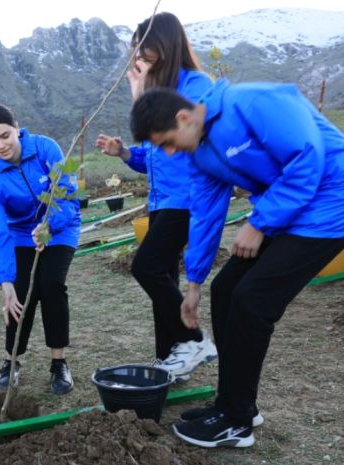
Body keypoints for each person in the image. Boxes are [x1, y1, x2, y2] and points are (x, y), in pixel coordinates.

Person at [130, 81, 344, 448]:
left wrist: (259, 223)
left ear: (184, 117)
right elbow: (205, 213)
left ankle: (236, 421)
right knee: (226, 289)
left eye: (166, 141)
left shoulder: (253, 101)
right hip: (290, 208)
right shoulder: (198, 152)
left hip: (330, 202)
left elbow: (308, 157)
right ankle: (233, 402)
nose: (168, 152)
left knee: (253, 299)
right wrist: (193, 285)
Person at [95, 12, 216, 381]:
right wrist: (126, 154)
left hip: (188, 197)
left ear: (164, 46)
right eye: (135, 50)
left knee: (145, 267)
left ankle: (195, 340)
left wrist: (141, 98)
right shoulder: (156, 90)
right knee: (163, 277)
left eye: (143, 50)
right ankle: (171, 359)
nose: (138, 58)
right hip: (163, 200)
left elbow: (180, 141)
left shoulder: (196, 85)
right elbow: (157, 152)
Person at [0, 104, 81, 395]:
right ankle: (12, 360)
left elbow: (68, 196)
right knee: (19, 294)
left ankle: (58, 363)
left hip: (60, 225)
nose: (0, 145)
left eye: (5, 136)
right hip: (20, 233)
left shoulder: (45, 148)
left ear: (17, 127)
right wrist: (5, 282)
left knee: (50, 284)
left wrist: (51, 225)